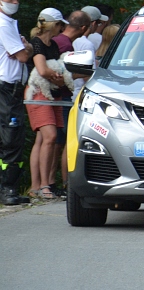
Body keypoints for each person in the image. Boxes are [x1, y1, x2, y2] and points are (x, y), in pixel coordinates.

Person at [26, 8, 69, 200]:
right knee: (50, 136)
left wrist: (58, 80)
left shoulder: (52, 45)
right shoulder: (37, 44)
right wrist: (59, 78)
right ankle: (43, 185)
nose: (62, 29)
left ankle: (40, 185)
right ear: (54, 25)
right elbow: (42, 70)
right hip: (39, 93)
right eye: (60, 25)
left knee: (44, 140)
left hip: (53, 94)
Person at [51, 10, 94, 194]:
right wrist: (90, 74)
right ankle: (66, 184)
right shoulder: (65, 44)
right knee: (67, 141)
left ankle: (54, 183)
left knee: (57, 142)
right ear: (85, 27)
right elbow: (62, 74)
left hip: (57, 96)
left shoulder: (59, 40)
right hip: (61, 96)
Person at [0, 0, 32, 205]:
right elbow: (22, 56)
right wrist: (26, 47)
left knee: (11, 137)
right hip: (7, 89)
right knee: (11, 138)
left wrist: (24, 47)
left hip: (10, 89)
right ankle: (8, 189)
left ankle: (8, 188)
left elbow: (21, 52)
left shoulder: (8, 23)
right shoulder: (3, 24)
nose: (15, 1)